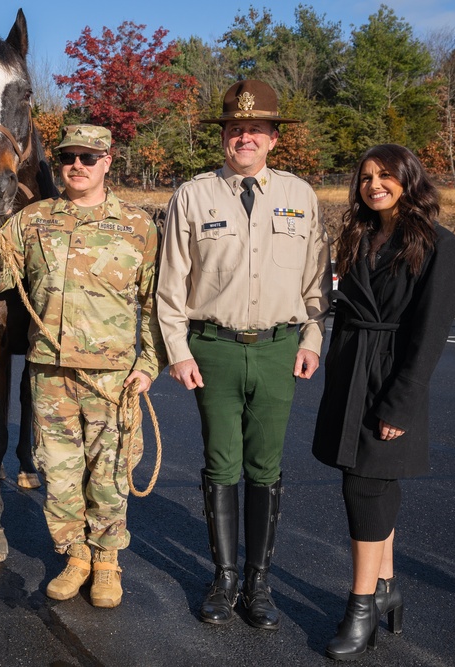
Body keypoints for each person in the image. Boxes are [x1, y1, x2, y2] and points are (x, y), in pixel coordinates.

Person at [0, 124, 166, 608]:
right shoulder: (34, 220)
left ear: (108, 162)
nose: (77, 165)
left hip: (112, 375)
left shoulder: (138, 226)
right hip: (51, 374)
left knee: (110, 473)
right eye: (68, 157)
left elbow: (155, 302)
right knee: (60, 473)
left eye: (88, 157)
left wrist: (150, 363)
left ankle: (107, 563)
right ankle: (74, 556)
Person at [157, 80, 330, 629]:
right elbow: (171, 284)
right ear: (224, 137)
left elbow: (316, 282)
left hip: (280, 348)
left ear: (274, 137)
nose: (244, 137)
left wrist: (311, 338)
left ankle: (259, 582)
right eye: (235, 128)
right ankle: (224, 577)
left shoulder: (301, 197)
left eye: (255, 128)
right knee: (220, 463)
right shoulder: (193, 195)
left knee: (266, 467)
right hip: (215, 350)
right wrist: (178, 351)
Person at [312, 144, 455, 660]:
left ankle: (360, 605)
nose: (374, 184)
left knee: (366, 489)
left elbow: (430, 335)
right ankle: (386, 587)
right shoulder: (356, 236)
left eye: (386, 176)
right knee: (369, 485)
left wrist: (399, 404)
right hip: (350, 370)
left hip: (392, 379)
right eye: (366, 176)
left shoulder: (441, 244)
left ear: (409, 180)